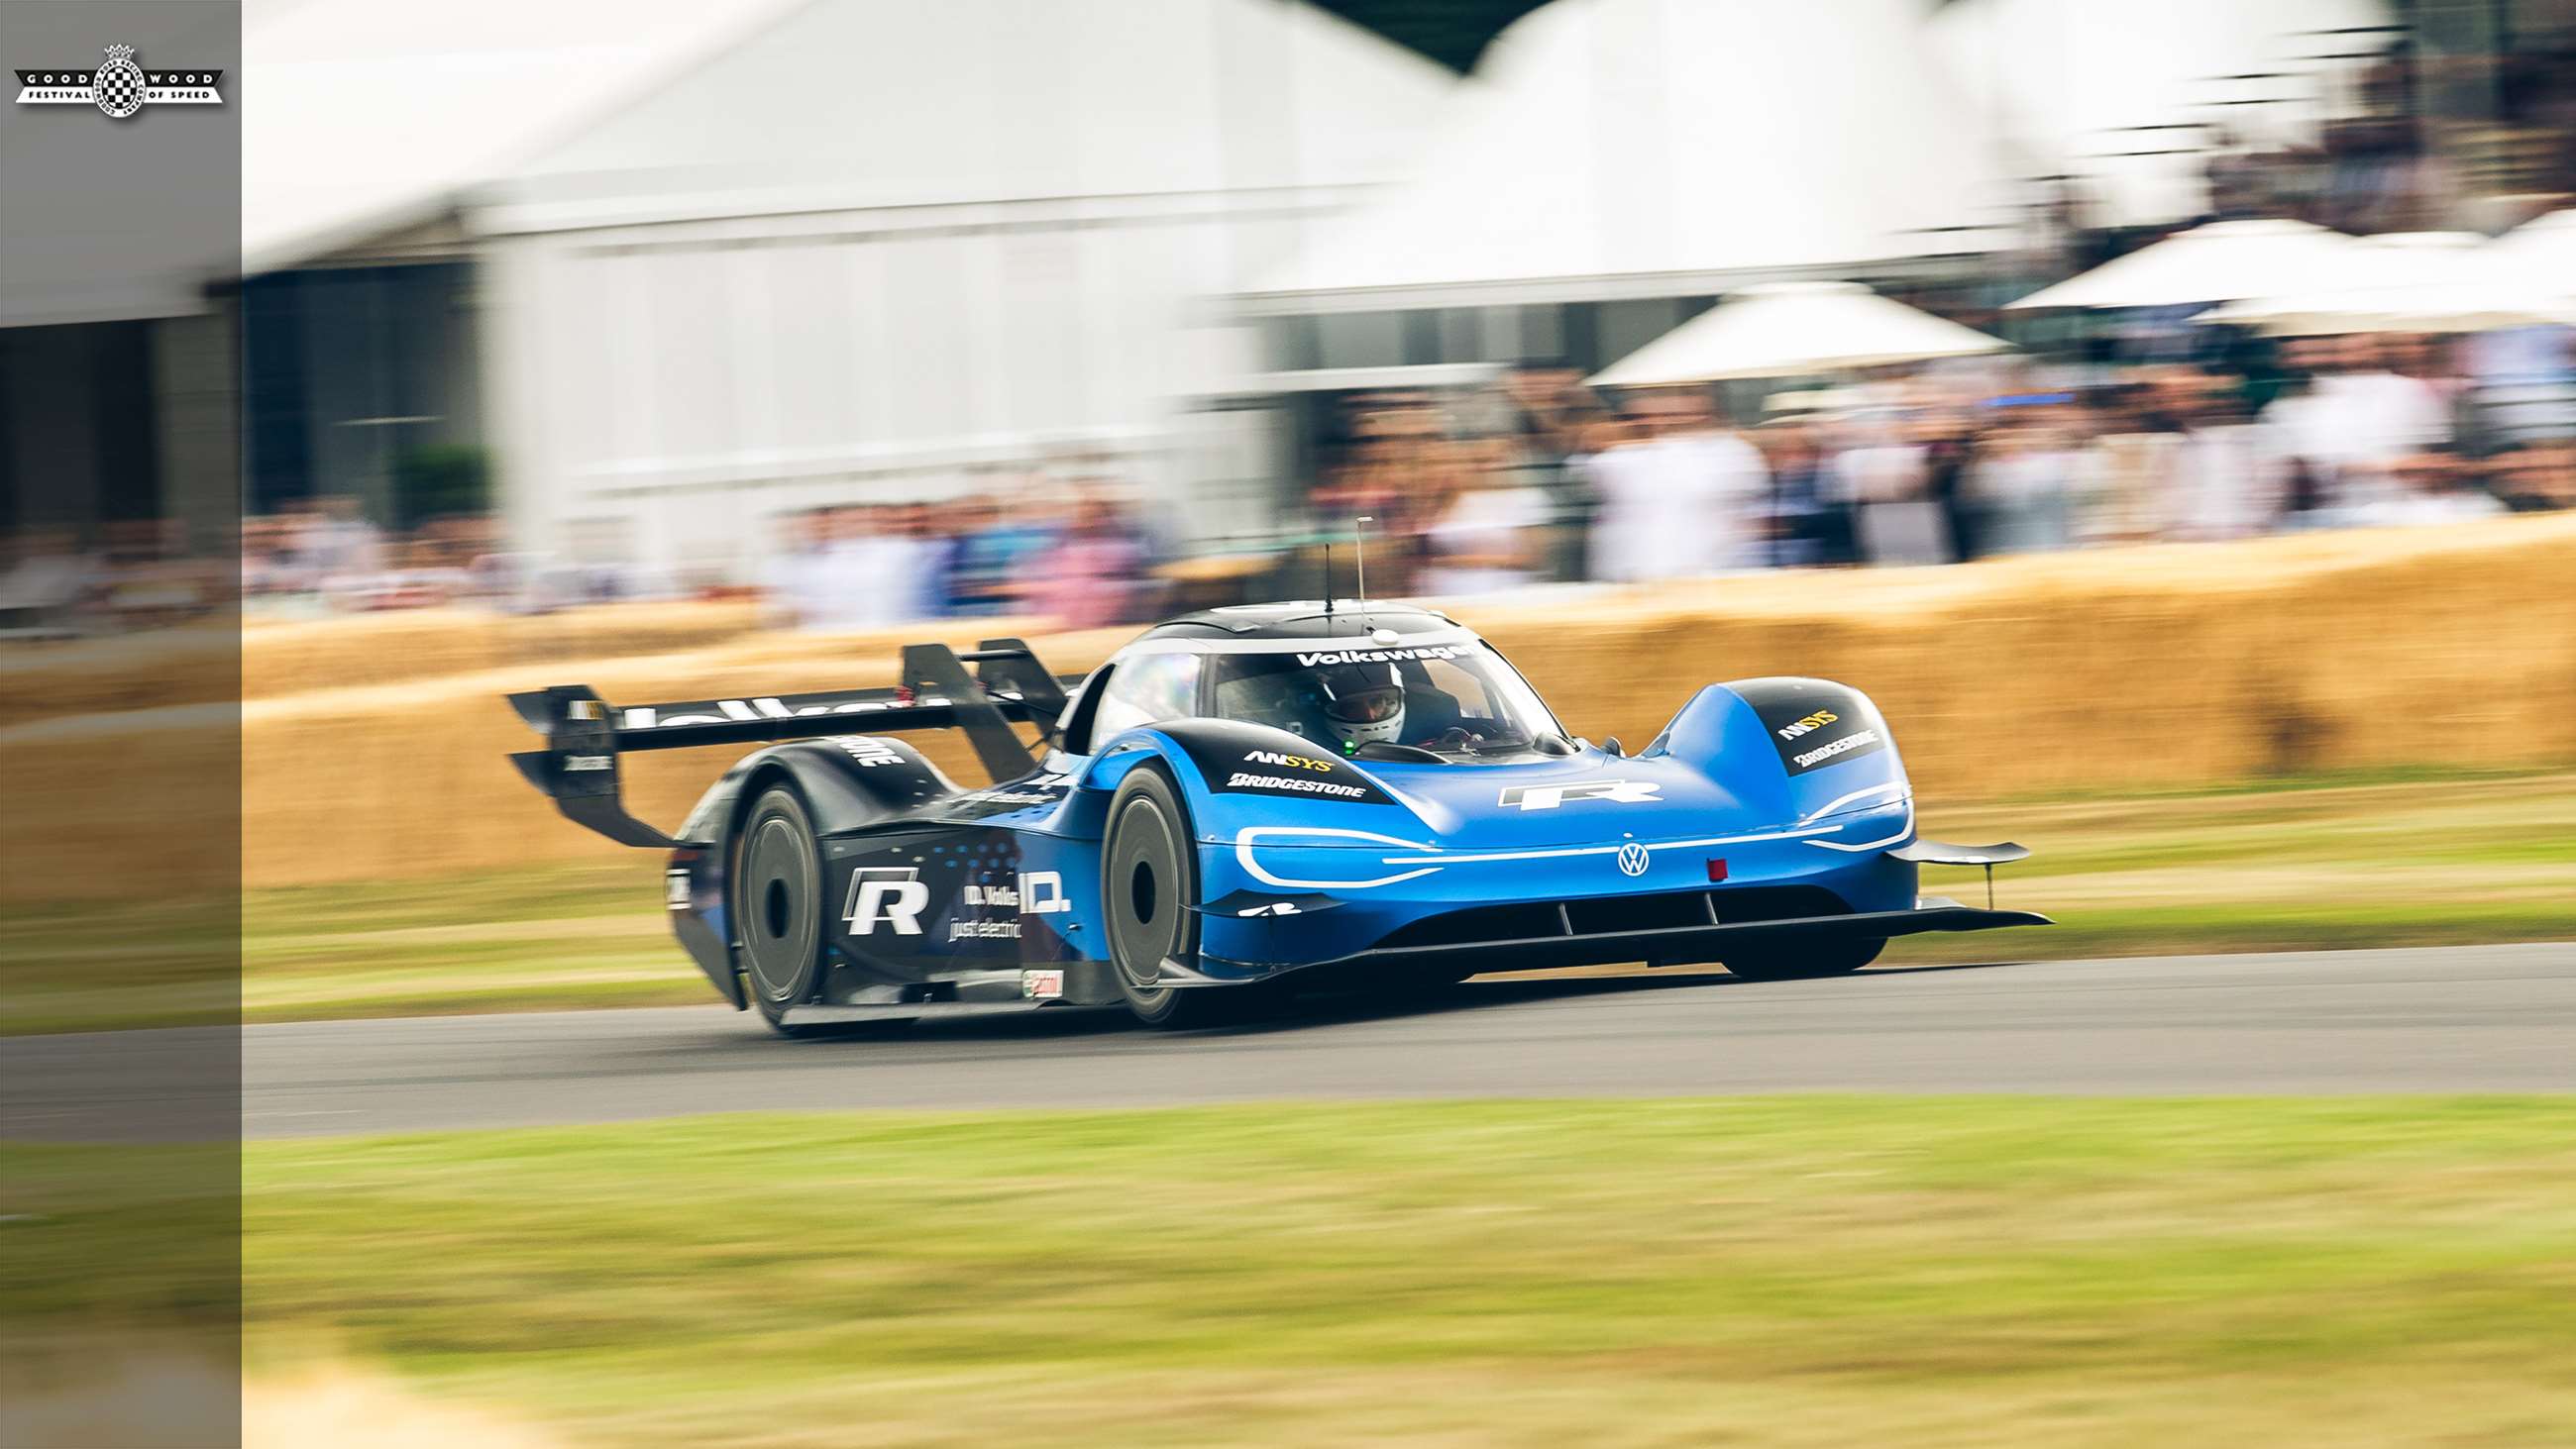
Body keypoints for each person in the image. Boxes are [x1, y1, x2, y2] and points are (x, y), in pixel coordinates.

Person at [1582, 390, 1769, 581]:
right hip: (1635, 572)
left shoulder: (1733, 451)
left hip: (1712, 571)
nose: (1653, 421)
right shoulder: (1624, 456)